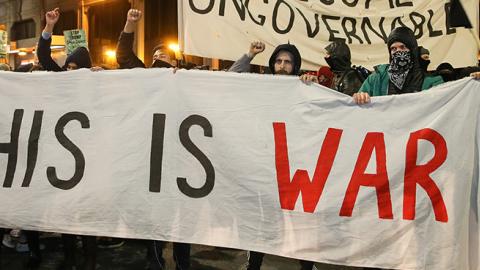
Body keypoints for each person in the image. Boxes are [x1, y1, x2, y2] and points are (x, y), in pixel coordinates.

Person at [230, 41, 316, 270]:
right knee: (262, 221)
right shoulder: (262, 85)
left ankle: (307, 265)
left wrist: (313, 86)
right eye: (278, 61)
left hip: (294, 167)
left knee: (300, 222)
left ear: (295, 66)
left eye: (288, 62)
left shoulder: (304, 87)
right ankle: (254, 264)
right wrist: (249, 54)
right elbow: (230, 80)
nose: (282, 65)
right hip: (265, 165)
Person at [115, 8, 191, 270]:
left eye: (165, 59)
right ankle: (156, 261)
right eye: (155, 58)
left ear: (175, 65)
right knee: (156, 217)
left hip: (180, 161)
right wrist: (130, 24)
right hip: (152, 161)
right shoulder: (143, 77)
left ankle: (183, 264)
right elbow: (123, 56)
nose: (160, 61)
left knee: (182, 219)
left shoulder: (187, 82)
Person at [37, 8, 98, 270]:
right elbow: (43, 56)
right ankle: (71, 257)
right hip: (64, 163)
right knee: (66, 216)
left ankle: (90, 259)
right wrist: (49, 27)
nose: (70, 71)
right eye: (68, 66)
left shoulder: (97, 86)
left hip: (90, 163)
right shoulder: (61, 80)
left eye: (75, 67)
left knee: (88, 217)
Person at [354, 27, 444, 104]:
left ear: (412, 50)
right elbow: (358, 101)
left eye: (403, 47)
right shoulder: (376, 79)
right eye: (393, 48)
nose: (398, 51)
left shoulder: (432, 83)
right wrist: (360, 97)